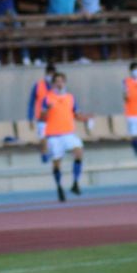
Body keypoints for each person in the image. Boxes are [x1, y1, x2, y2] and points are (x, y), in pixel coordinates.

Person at [40, 72, 90, 202]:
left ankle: (75, 183)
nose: (59, 83)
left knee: (79, 151)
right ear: (53, 83)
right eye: (57, 81)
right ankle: (59, 186)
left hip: (68, 133)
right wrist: (47, 110)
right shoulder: (48, 98)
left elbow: (76, 115)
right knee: (57, 164)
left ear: (64, 82)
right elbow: (41, 118)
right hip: (54, 135)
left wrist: (86, 118)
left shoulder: (70, 98)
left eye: (61, 81)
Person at [28, 63, 58, 162]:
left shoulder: (57, 87)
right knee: (43, 135)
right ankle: (44, 155)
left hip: (54, 117)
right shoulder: (38, 85)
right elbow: (31, 102)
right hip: (41, 116)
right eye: (49, 73)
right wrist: (30, 118)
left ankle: (53, 154)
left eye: (52, 74)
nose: (50, 76)